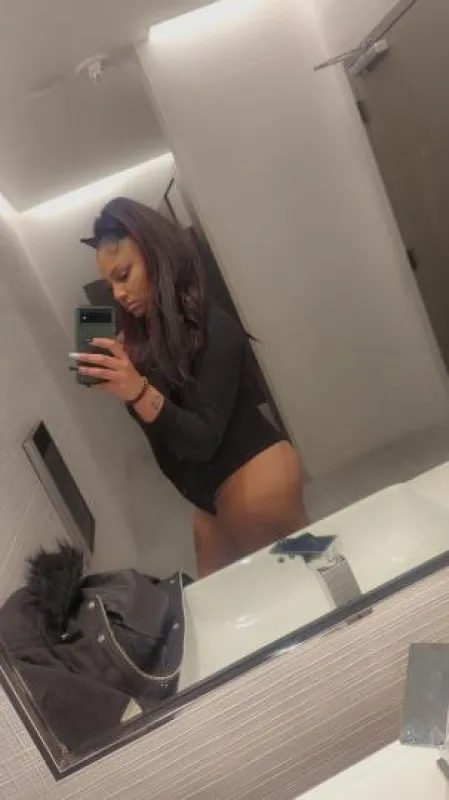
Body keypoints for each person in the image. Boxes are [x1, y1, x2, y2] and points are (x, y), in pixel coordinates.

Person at [75, 197, 308, 577]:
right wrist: (129, 377)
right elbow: (167, 429)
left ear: (157, 256)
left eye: (124, 275)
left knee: (308, 585)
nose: (117, 294)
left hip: (255, 481)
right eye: (110, 284)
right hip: (210, 493)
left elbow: (201, 439)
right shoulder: (155, 338)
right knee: (222, 600)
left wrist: (137, 389)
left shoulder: (213, 327)